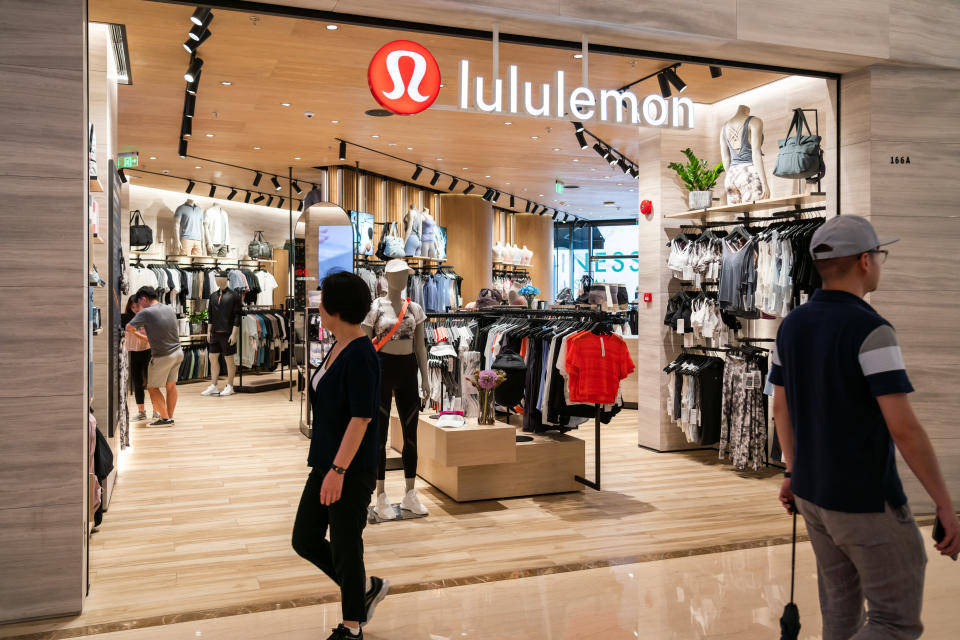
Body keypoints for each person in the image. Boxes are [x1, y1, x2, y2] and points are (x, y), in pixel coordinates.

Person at [770, 215, 959, 640]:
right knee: (895, 622)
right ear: (864, 261)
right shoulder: (871, 330)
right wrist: (945, 504)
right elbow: (904, 429)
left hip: (812, 495)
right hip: (865, 499)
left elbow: (780, 407)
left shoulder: (790, 326)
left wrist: (791, 472)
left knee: (839, 614)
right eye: (879, 254)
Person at [291, 272, 390, 640]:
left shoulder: (361, 354)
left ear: (335, 309)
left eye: (323, 301)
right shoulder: (338, 344)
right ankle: (363, 590)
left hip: (350, 466)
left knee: (348, 544)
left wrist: (338, 469)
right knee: (305, 538)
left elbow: (362, 418)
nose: (318, 306)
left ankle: (352, 628)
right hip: (327, 460)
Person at [127, 286, 183, 427]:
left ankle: (164, 419)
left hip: (163, 355)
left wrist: (135, 333)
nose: (139, 306)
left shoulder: (146, 312)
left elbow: (129, 327)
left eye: (139, 302)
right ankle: (169, 417)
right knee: (171, 386)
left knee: (152, 387)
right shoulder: (168, 308)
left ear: (144, 299)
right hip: (178, 352)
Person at [122, 296, 152, 421]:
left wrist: (135, 332)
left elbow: (151, 336)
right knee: (137, 383)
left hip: (148, 351)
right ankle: (141, 412)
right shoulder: (126, 318)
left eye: (137, 306)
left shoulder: (148, 317)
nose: (135, 309)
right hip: (133, 352)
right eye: (132, 307)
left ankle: (156, 411)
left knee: (152, 384)